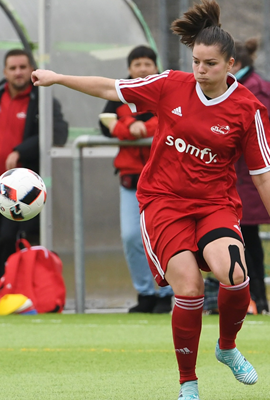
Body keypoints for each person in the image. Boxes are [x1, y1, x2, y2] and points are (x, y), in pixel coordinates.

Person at [31, 1, 270, 398]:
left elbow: (263, 179)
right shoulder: (171, 85)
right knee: (189, 288)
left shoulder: (248, 110)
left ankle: (227, 348)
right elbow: (110, 88)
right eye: (196, 61)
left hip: (215, 204)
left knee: (236, 276)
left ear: (230, 64)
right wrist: (57, 77)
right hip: (164, 201)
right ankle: (188, 382)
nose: (201, 70)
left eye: (210, 64)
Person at [0, 49, 68, 284]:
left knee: (8, 239)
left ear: (31, 69)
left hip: (21, 194)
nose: (18, 72)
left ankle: (14, 290)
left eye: (23, 67)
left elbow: (58, 133)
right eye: (13, 68)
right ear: (5, 72)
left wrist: (21, 150)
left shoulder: (42, 99)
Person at [99, 45, 174, 314]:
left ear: (155, 67)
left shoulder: (166, 91)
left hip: (164, 180)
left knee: (162, 237)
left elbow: (170, 123)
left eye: (147, 63)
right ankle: (145, 293)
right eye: (137, 64)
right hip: (131, 179)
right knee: (131, 236)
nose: (142, 68)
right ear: (129, 68)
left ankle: (166, 291)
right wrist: (130, 127)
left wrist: (132, 127)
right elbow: (104, 124)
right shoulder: (118, 93)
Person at [230, 38, 270, 314]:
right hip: (241, 174)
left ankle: (256, 298)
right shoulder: (253, 85)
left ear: (234, 63)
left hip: (247, 174)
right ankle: (253, 298)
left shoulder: (253, 89)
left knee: (247, 238)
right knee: (243, 237)